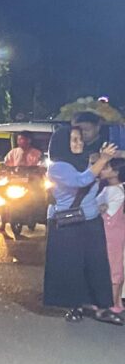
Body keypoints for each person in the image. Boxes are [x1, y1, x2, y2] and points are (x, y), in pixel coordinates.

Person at [43, 127, 119, 324]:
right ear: (61, 144)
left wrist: (105, 158)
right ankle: (74, 306)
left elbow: (97, 181)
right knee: (73, 267)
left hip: (92, 221)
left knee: (97, 265)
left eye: (80, 139)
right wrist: (101, 160)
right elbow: (80, 180)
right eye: (73, 140)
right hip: (69, 224)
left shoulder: (87, 161)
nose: (78, 143)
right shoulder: (57, 167)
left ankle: (103, 307)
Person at [101, 157, 125, 312]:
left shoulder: (111, 191)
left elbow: (99, 209)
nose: (102, 170)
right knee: (118, 265)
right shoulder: (122, 187)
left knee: (113, 267)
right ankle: (117, 302)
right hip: (119, 232)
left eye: (106, 168)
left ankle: (113, 304)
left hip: (110, 234)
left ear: (115, 172)